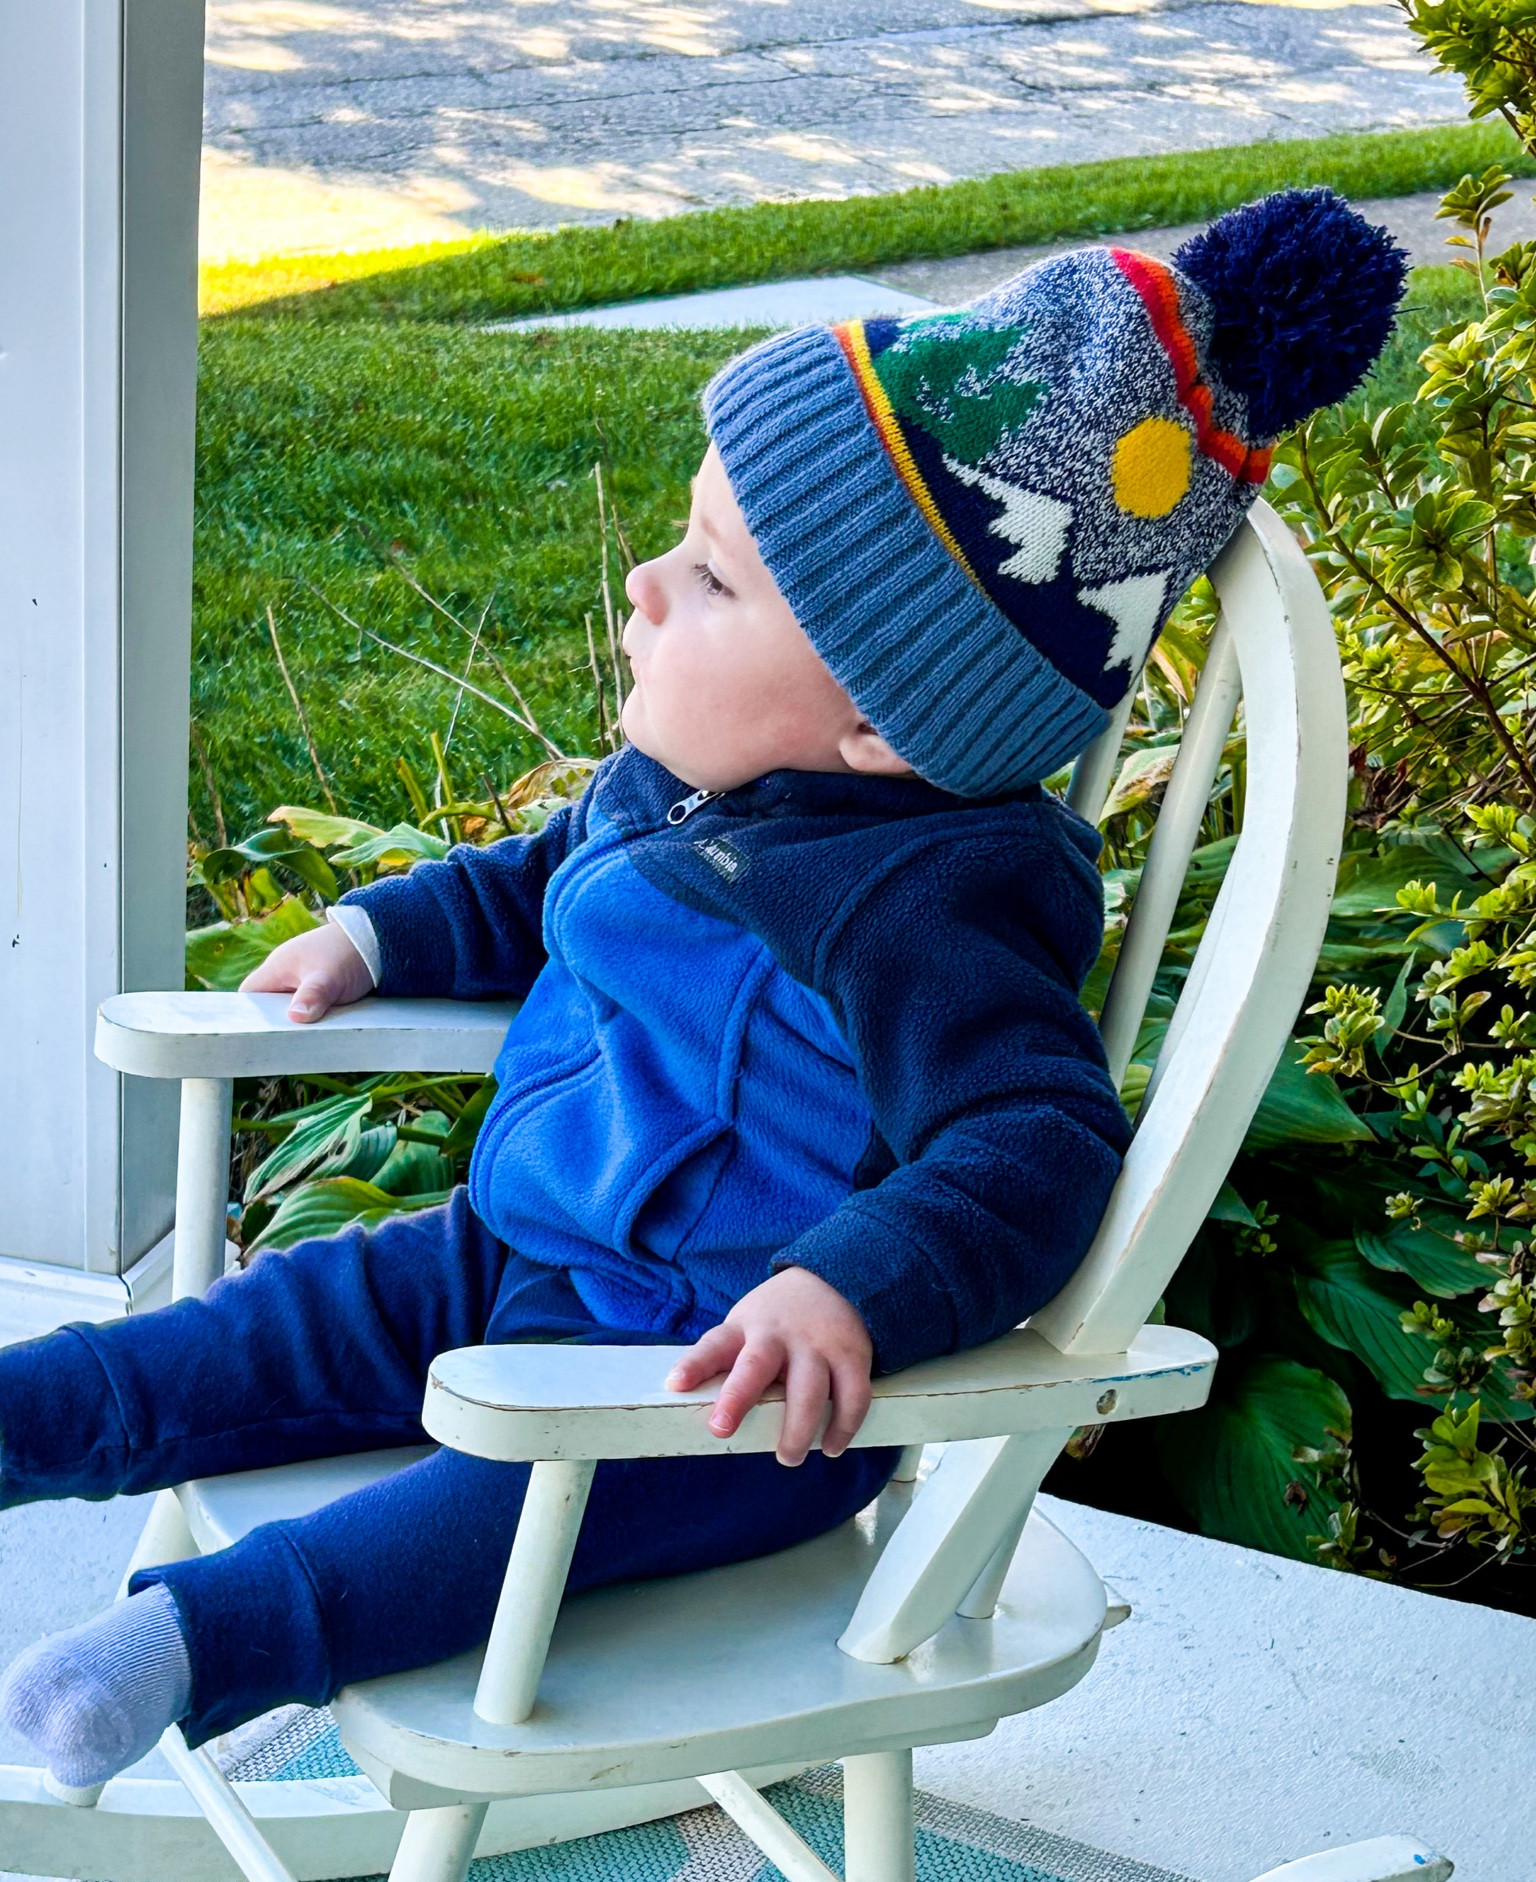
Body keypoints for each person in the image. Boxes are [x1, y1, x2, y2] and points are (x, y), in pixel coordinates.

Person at [0, 188, 1406, 1792]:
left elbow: (1034, 1134)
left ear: (883, 726)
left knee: (480, 1522)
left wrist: (850, 1288)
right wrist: (382, 937)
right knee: (240, 1344)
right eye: (685, 539)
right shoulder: (694, 778)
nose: (651, 588)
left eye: (716, 580)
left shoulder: (924, 898)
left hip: (718, 1392)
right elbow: (544, 875)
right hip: (521, 1250)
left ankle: (199, 1643)